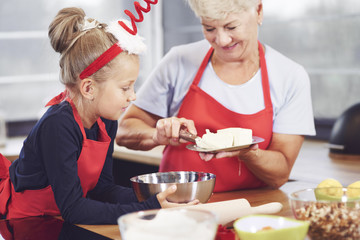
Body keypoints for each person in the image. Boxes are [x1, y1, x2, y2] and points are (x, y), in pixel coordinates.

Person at [0, 7, 197, 225]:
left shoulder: (106, 121)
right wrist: (147, 208)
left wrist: (159, 198)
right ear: (88, 88)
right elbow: (73, 209)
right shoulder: (58, 126)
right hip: (23, 223)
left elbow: (102, 189)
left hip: (58, 219)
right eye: (125, 88)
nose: (133, 96)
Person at [116, 0, 316, 192]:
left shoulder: (290, 77)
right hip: (178, 202)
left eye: (231, 27)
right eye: (209, 28)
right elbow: (124, 131)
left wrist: (248, 152)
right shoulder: (179, 61)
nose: (221, 40)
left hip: (252, 208)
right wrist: (156, 135)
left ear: (259, 11)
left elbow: (279, 174)